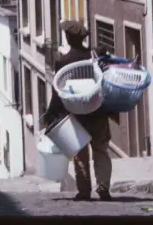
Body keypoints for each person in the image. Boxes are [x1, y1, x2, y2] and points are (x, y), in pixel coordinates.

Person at [42, 20, 113, 202]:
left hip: (76, 116)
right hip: (98, 113)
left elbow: (58, 94)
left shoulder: (63, 62)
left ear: (67, 37)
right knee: (101, 151)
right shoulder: (94, 55)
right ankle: (103, 187)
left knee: (80, 155)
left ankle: (84, 191)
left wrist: (50, 115)